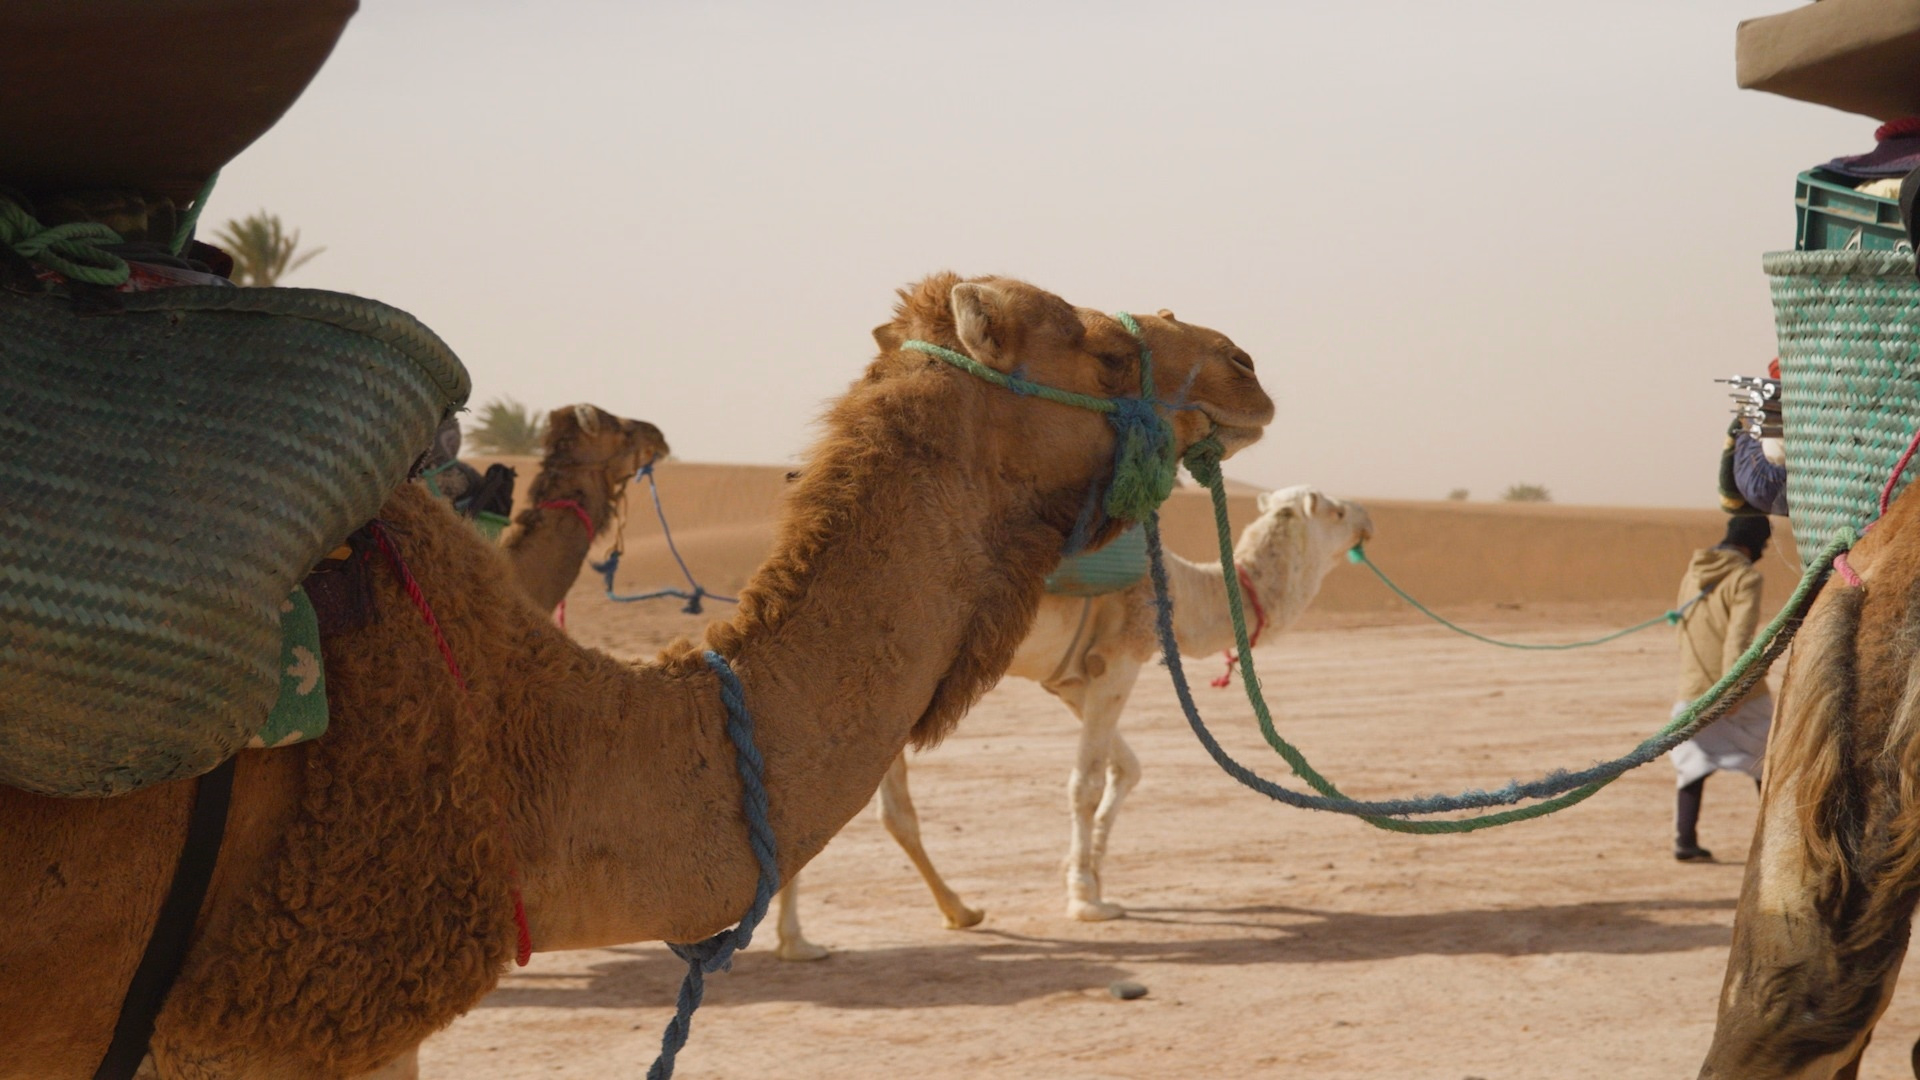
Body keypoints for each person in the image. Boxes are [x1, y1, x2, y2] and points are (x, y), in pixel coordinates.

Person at [1668, 514, 1773, 862]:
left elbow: (1682, 628)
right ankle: (1774, 843)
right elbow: (1739, 639)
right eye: (1764, 543)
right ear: (1752, 542)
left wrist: (1693, 679)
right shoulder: (1746, 577)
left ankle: (1685, 840)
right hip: (1735, 689)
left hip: (1693, 685)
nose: (1764, 550)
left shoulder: (1693, 571)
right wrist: (1732, 691)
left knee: (1692, 762)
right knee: (1768, 759)